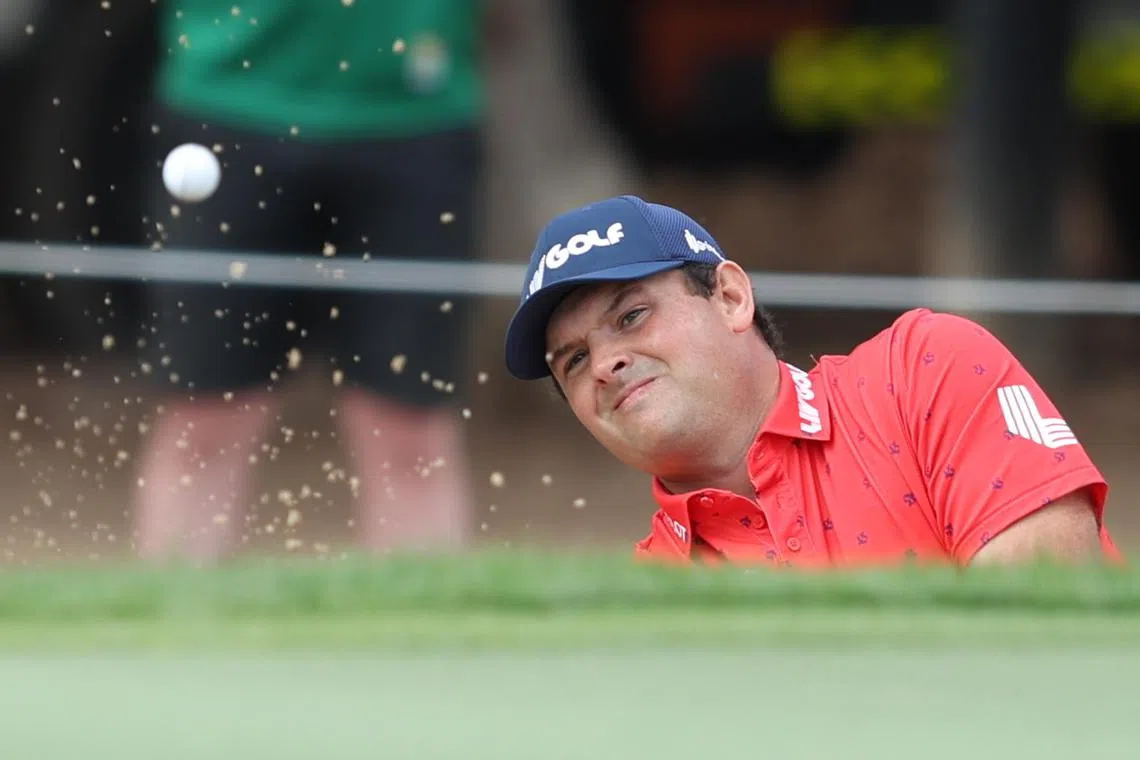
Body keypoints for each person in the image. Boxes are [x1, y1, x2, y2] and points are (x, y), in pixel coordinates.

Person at [504, 195, 1122, 567]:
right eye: (575, 361)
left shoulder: (924, 370)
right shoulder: (650, 599)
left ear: (729, 296)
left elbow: (1043, 636)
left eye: (631, 316)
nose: (607, 363)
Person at [134, 0, 495, 560]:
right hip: (228, 98)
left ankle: (421, 641)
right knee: (206, 416)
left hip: (414, 113)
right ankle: (171, 640)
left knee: (409, 426)